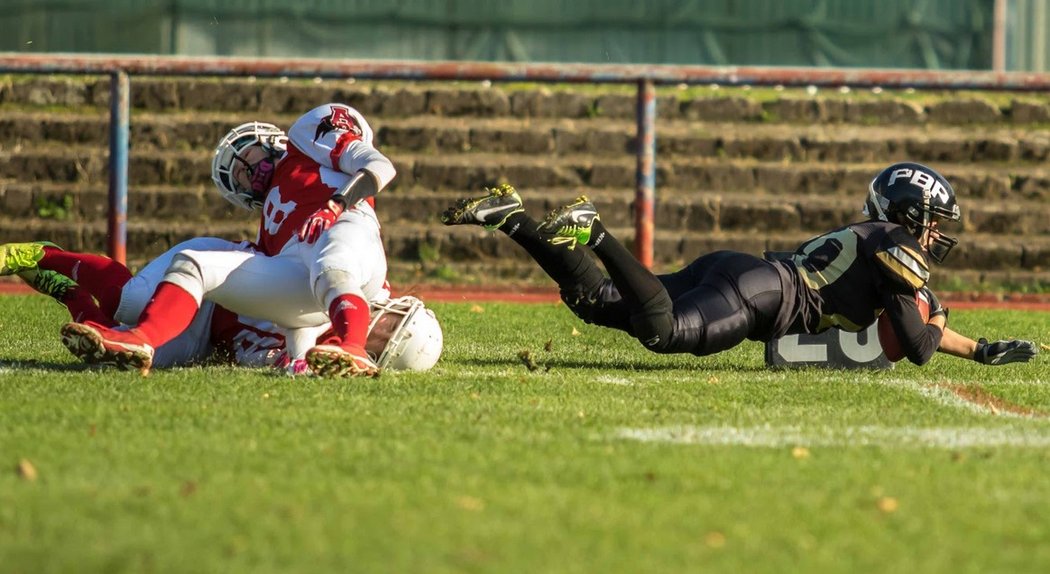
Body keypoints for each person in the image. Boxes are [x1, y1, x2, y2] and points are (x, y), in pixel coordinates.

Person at [440, 162, 1039, 366]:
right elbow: (918, 343)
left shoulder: (875, 240)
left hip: (743, 273)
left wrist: (981, 348)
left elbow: (920, 317)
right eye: (932, 221)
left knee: (598, 303)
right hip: (762, 297)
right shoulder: (896, 253)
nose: (936, 234)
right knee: (662, 331)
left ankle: (510, 217)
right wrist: (938, 323)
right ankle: (594, 229)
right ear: (909, 217)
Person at [55, 102, 441, 375]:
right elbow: (297, 314)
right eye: (239, 177)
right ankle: (141, 338)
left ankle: (352, 347)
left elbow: (380, 167)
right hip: (307, 277)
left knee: (332, 264)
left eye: (246, 165)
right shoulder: (270, 226)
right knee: (194, 264)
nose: (247, 172)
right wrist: (300, 358)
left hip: (348, 231)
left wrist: (335, 205)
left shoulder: (308, 138)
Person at [0, 239, 442, 373]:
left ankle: (70, 294)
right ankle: (44, 254)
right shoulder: (355, 289)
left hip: (206, 334)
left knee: (113, 358)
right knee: (131, 302)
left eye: (385, 341)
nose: (378, 331)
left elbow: (297, 363)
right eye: (391, 324)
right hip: (218, 278)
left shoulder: (324, 359)